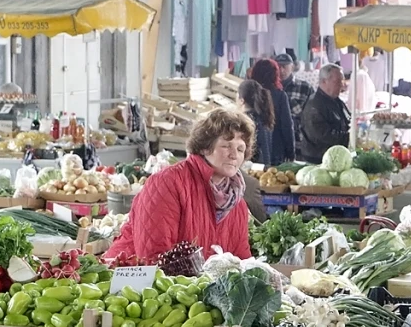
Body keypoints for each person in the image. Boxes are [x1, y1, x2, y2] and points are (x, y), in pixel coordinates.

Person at [105, 108, 253, 260]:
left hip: (192, 282)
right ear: (205, 147)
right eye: (226, 146)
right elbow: (154, 257)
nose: (234, 155)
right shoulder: (168, 183)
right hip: (130, 276)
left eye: (240, 149)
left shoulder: (237, 204)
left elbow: (241, 261)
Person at [301, 64, 350, 164]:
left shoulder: (336, 100)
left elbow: (348, 120)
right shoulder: (314, 104)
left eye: (342, 81)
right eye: (337, 81)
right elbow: (323, 135)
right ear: (324, 81)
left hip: (335, 156)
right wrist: (349, 137)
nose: (341, 85)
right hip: (318, 159)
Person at [250, 58, 295, 165]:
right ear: (275, 74)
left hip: (253, 149)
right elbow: (287, 125)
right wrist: (291, 152)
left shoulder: (249, 94)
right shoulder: (279, 95)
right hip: (276, 148)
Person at [276, 54, 313, 155]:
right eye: (278, 67)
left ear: (292, 67)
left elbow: (312, 116)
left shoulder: (305, 87)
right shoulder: (269, 89)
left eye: (285, 66)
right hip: (275, 143)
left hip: (298, 142)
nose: (281, 70)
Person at [237, 79, 274, 166]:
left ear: (242, 100)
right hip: (263, 166)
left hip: (252, 168)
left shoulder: (244, 121)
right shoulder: (264, 116)